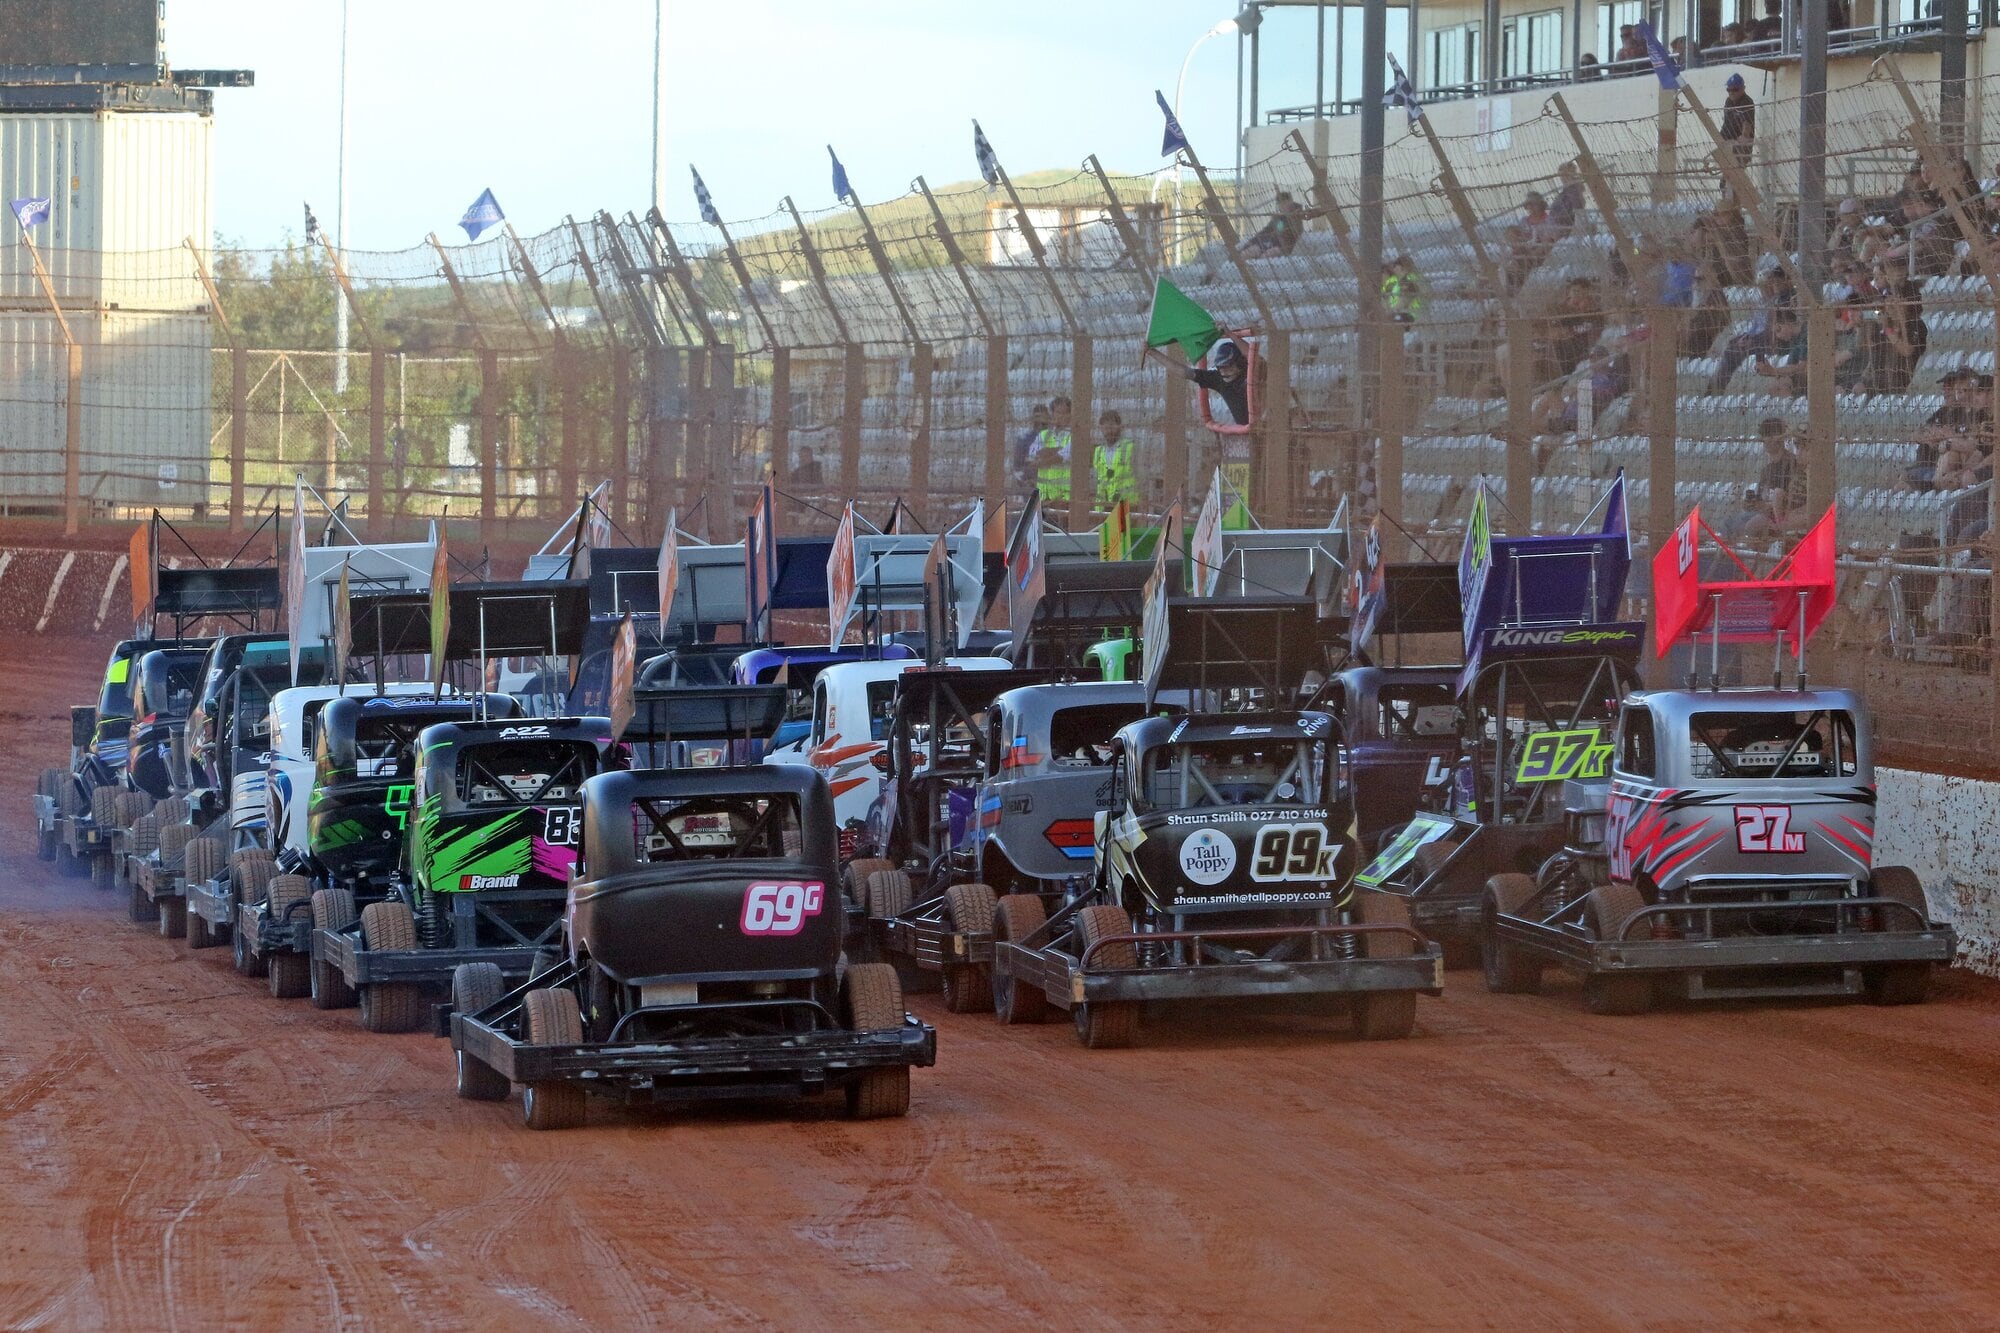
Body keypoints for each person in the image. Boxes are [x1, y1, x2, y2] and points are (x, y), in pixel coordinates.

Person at [1913, 367, 1988, 489]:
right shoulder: (1956, 412)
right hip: (1951, 464)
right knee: (1903, 481)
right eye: (1958, 390)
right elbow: (1919, 434)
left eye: (1964, 390)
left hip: (1971, 465)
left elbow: (1975, 447)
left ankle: (1935, 485)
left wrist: (1949, 442)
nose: (1961, 394)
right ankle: (1936, 484)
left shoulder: (1980, 413)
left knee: (1951, 455)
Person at [1148, 338, 1251, 427]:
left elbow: (1251, 354)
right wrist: (1153, 352)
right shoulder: (1218, 379)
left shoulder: (1252, 373)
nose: (1224, 372)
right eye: (1221, 368)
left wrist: (1229, 333)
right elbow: (1185, 372)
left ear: (1240, 364)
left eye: (1228, 367)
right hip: (1247, 430)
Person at [1755, 417, 1806, 526]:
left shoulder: (1793, 464)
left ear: (1781, 437)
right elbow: (1759, 500)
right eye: (1764, 436)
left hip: (1780, 516)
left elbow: (1793, 499)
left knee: (1751, 524)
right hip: (1766, 513)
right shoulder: (1766, 470)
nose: (1767, 440)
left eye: (1771, 435)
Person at [1241, 191, 1314, 260]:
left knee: (1266, 256)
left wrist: (1288, 216)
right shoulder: (1279, 219)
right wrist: (1252, 241)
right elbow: (1267, 231)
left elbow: (1294, 231)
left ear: (1290, 202)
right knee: (1246, 253)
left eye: (1285, 203)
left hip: (1283, 247)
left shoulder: (1296, 215)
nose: (1283, 206)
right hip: (1269, 243)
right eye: (1281, 204)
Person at [1092, 410, 1140, 513]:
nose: (1109, 431)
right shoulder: (1098, 451)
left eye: (1112, 426)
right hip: (1105, 504)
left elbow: (1139, 475)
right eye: (1106, 427)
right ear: (1101, 428)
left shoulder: (1129, 447)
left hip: (1125, 503)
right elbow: (1098, 480)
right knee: (1106, 529)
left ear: (1120, 427)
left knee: (1122, 529)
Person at [1032, 396, 1074, 503]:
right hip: (1043, 496)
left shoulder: (1074, 436)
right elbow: (1033, 455)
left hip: (1064, 498)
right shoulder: (1044, 435)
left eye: (1065, 413)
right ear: (1052, 414)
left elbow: (1063, 456)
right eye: (1058, 412)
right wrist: (1058, 449)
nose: (1061, 416)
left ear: (1070, 415)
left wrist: (1046, 456)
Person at [1011, 401, 1051, 490]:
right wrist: (1024, 482)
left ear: (1048, 418)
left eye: (1043, 416)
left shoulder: (1056, 438)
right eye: (1037, 416)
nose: (1040, 420)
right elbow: (1017, 466)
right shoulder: (1024, 439)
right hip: (1029, 487)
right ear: (1033, 418)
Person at [1720, 75, 1756, 172]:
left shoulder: (1747, 101)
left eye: (1735, 89)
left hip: (1741, 141)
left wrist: (1744, 136)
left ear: (1743, 88)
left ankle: (1734, 186)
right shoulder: (1728, 101)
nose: (1731, 93)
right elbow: (1726, 122)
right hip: (1728, 140)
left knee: (1738, 170)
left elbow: (1747, 122)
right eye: (1729, 90)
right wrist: (1720, 138)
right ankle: (1724, 186)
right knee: (1726, 170)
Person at [1383, 254, 1424, 322]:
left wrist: (1392, 313)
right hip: (1401, 313)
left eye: (1396, 265)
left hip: (1407, 314)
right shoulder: (1399, 281)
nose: (1394, 268)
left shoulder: (1407, 280)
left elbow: (1403, 302)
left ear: (1403, 268)